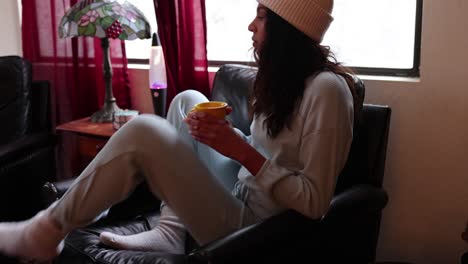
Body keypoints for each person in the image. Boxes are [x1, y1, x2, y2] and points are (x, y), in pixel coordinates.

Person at [0, 0, 359, 261]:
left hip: (256, 229)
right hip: (240, 192)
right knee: (188, 99)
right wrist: (227, 138)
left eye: (261, 16)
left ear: (286, 30)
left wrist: (240, 150)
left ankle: (45, 231)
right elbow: (269, 153)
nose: (252, 25)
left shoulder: (327, 91)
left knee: (144, 130)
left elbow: (314, 203)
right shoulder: (284, 82)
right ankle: (171, 232)